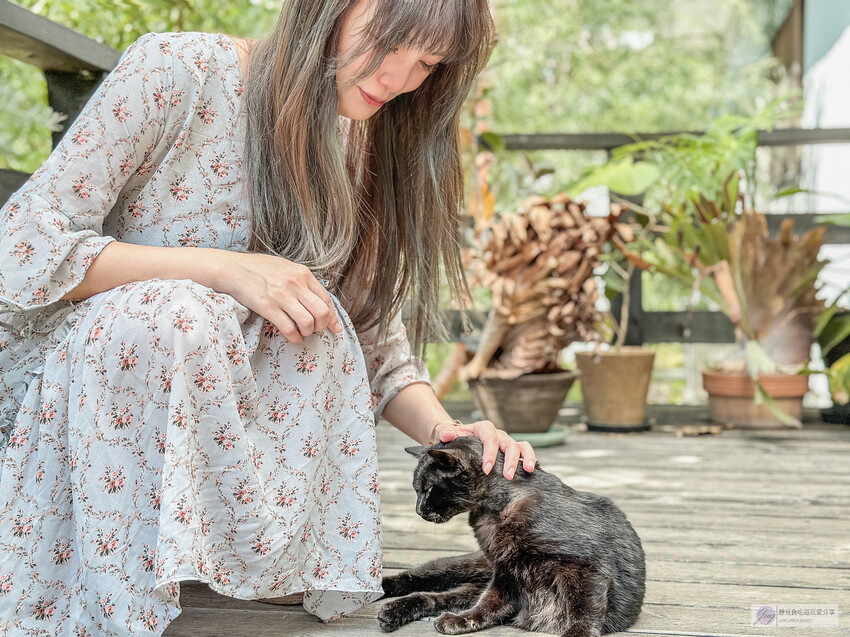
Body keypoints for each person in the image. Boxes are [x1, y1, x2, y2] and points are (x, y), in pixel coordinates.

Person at [0, 0, 537, 634]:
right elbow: (21, 245)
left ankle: (259, 552)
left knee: (307, 309)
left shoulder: (357, 128)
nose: (397, 79)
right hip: (75, 385)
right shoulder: (179, 70)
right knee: (177, 308)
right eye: (386, 42)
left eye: (425, 63)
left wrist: (450, 437)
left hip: (227, 410)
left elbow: (368, 335)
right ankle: (119, 571)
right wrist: (222, 268)